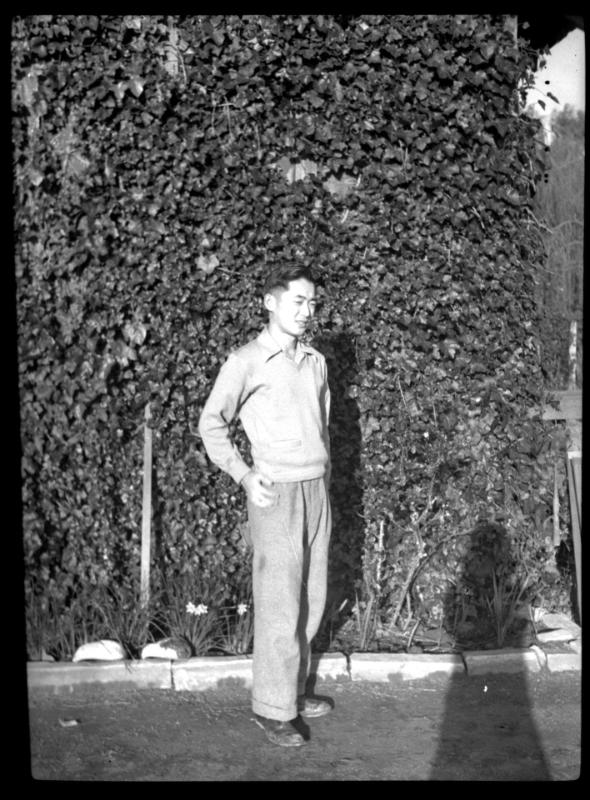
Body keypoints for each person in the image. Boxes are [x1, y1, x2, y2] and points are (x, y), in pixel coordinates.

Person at [198, 263, 333, 747]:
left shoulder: (315, 360)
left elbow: (321, 427)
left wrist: (321, 479)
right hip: (275, 494)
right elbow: (211, 424)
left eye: (312, 303)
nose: (306, 312)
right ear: (270, 302)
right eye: (297, 302)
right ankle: (272, 710)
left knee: (310, 598)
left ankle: (291, 694)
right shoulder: (247, 361)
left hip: (316, 489)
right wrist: (244, 473)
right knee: (279, 602)